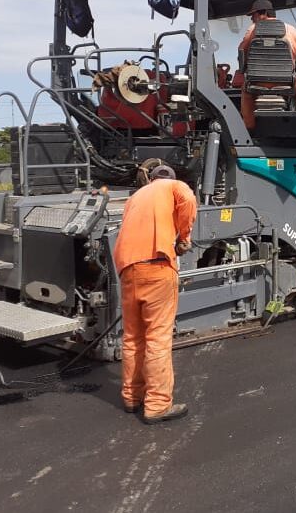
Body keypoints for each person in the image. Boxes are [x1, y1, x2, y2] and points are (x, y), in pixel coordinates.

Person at [113, 164, 197, 423]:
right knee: (157, 337)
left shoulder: (135, 197)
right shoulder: (174, 186)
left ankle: (131, 396)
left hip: (128, 269)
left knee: (133, 337)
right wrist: (184, 237)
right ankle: (158, 404)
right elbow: (189, 199)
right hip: (157, 265)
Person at [238, 0, 296, 130]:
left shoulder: (252, 30)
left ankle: (249, 129)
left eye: (253, 15)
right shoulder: (290, 30)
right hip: (287, 83)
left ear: (264, 13)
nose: (252, 19)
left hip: (257, 84)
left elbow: (241, 52)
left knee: (246, 92)